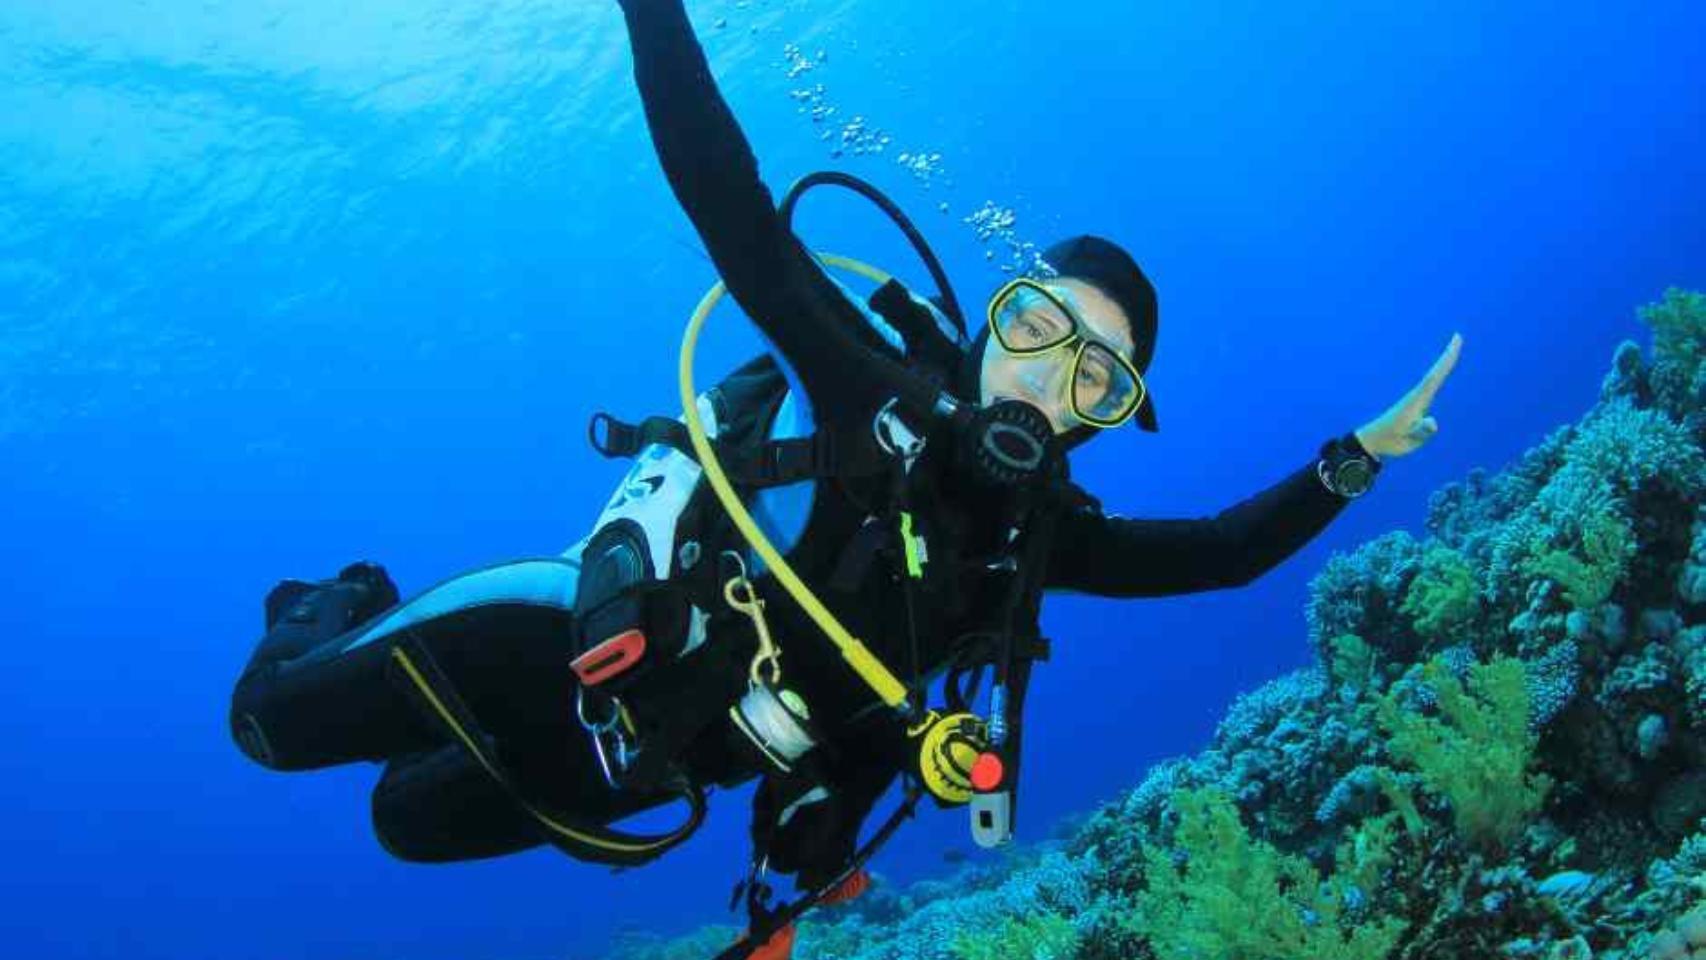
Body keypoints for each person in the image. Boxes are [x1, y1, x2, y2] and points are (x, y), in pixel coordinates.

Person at [228, 1, 1462, 957]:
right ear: (993, 319)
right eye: (1038, 329)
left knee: (405, 825)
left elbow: (1218, 555)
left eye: (1095, 377)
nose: (1047, 381)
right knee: (269, 727)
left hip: (640, 761)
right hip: (561, 635)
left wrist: (1353, 458)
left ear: (1107, 415)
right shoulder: (864, 382)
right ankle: (337, 603)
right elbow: (728, 203)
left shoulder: (1039, 543)